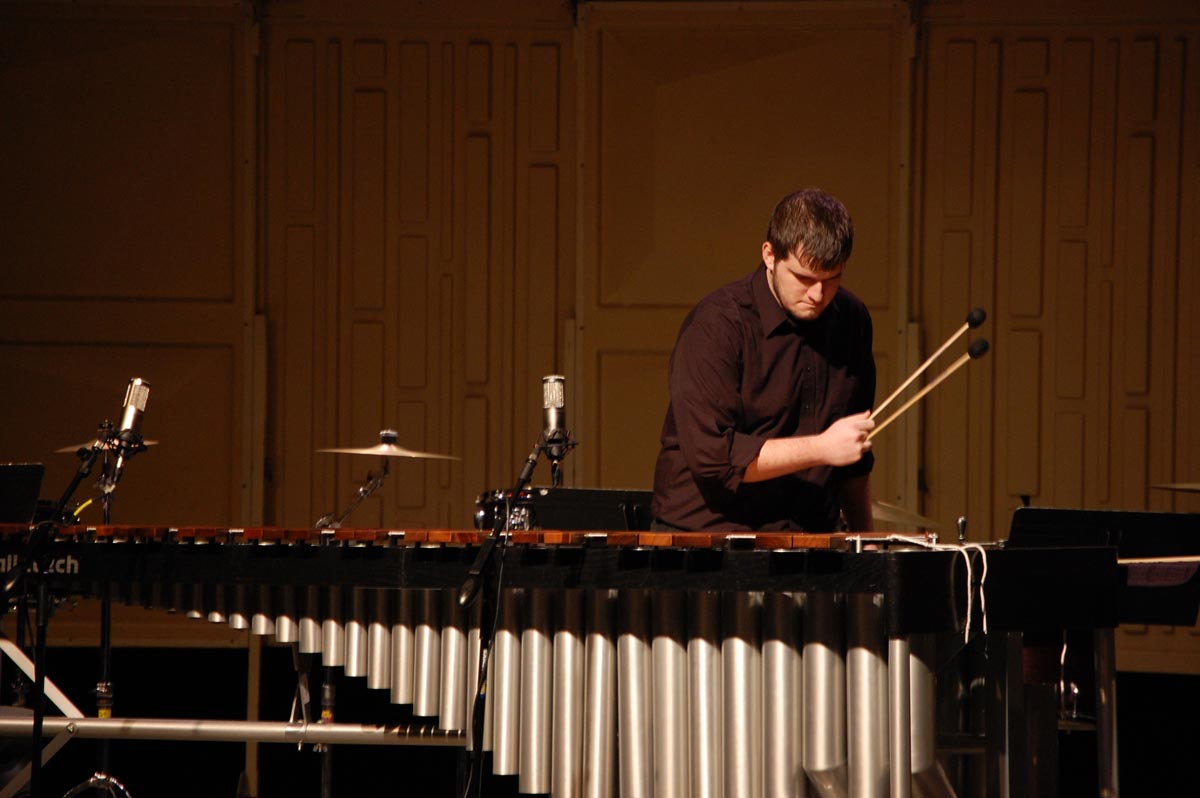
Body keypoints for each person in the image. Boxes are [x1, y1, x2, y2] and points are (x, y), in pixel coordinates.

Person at [651, 188, 876, 531]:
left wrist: (865, 543)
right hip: (710, 542)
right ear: (770, 255)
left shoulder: (851, 319)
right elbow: (716, 459)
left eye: (832, 280)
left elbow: (853, 460)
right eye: (804, 278)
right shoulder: (717, 327)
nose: (818, 295)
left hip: (809, 537)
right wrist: (821, 448)